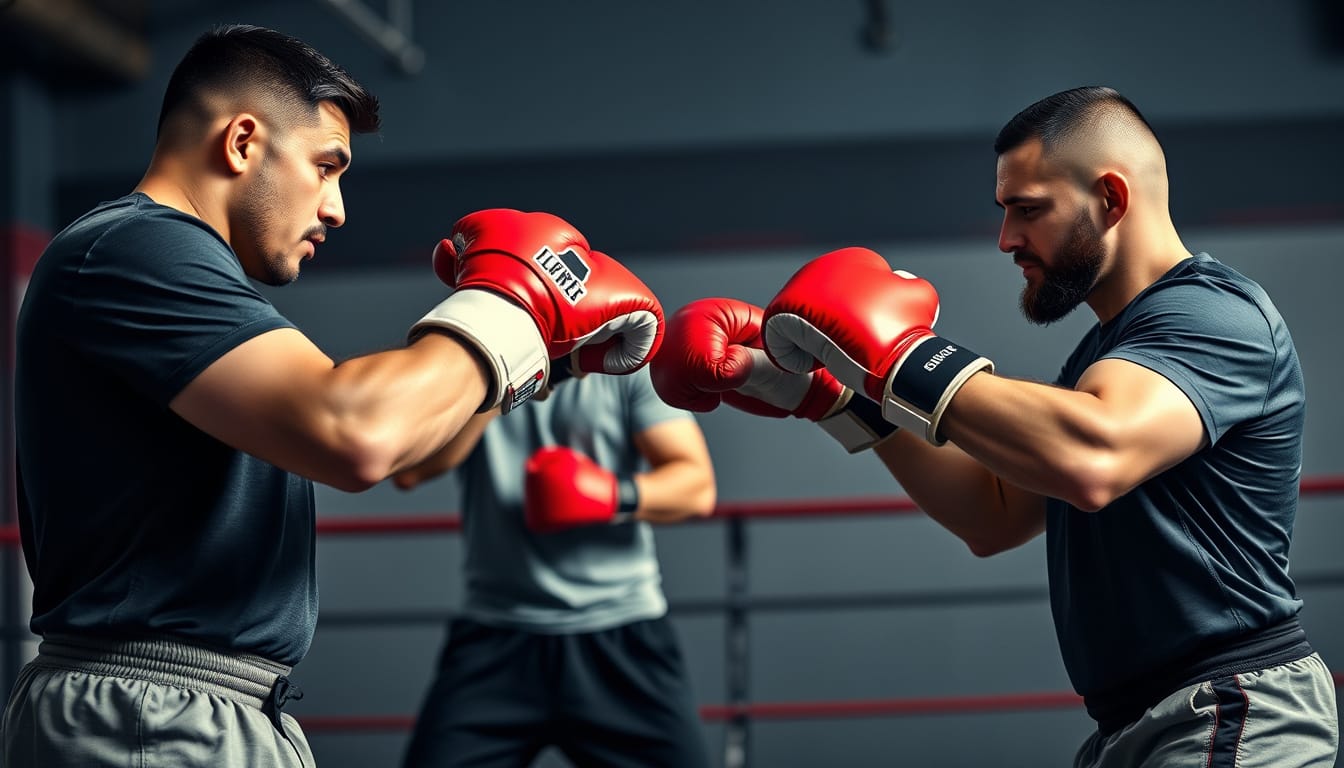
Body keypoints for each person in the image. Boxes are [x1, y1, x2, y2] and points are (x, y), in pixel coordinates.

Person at [2, 24, 664, 768]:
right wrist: (519, 305)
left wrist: (547, 353)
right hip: (152, 718)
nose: (338, 208)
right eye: (326, 166)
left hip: (203, 709)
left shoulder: (175, 267)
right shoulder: (134, 250)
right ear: (243, 142)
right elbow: (355, 432)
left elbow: (398, 439)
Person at [655, 86, 1338, 766]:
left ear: (1111, 198)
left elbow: (1093, 457)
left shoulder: (1213, 317)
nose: (1008, 239)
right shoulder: (1106, 354)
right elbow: (994, 513)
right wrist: (838, 400)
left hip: (1230, 707)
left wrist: (902, 356)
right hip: (1142, 722)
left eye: (1028, 211)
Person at [392, 364, 717, 768]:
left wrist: (609, 494)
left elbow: (696, 486)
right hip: (497, 639)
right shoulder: (474, 364)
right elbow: (409, 469)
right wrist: (500, 380)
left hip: (620, 638)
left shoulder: (629, 367)